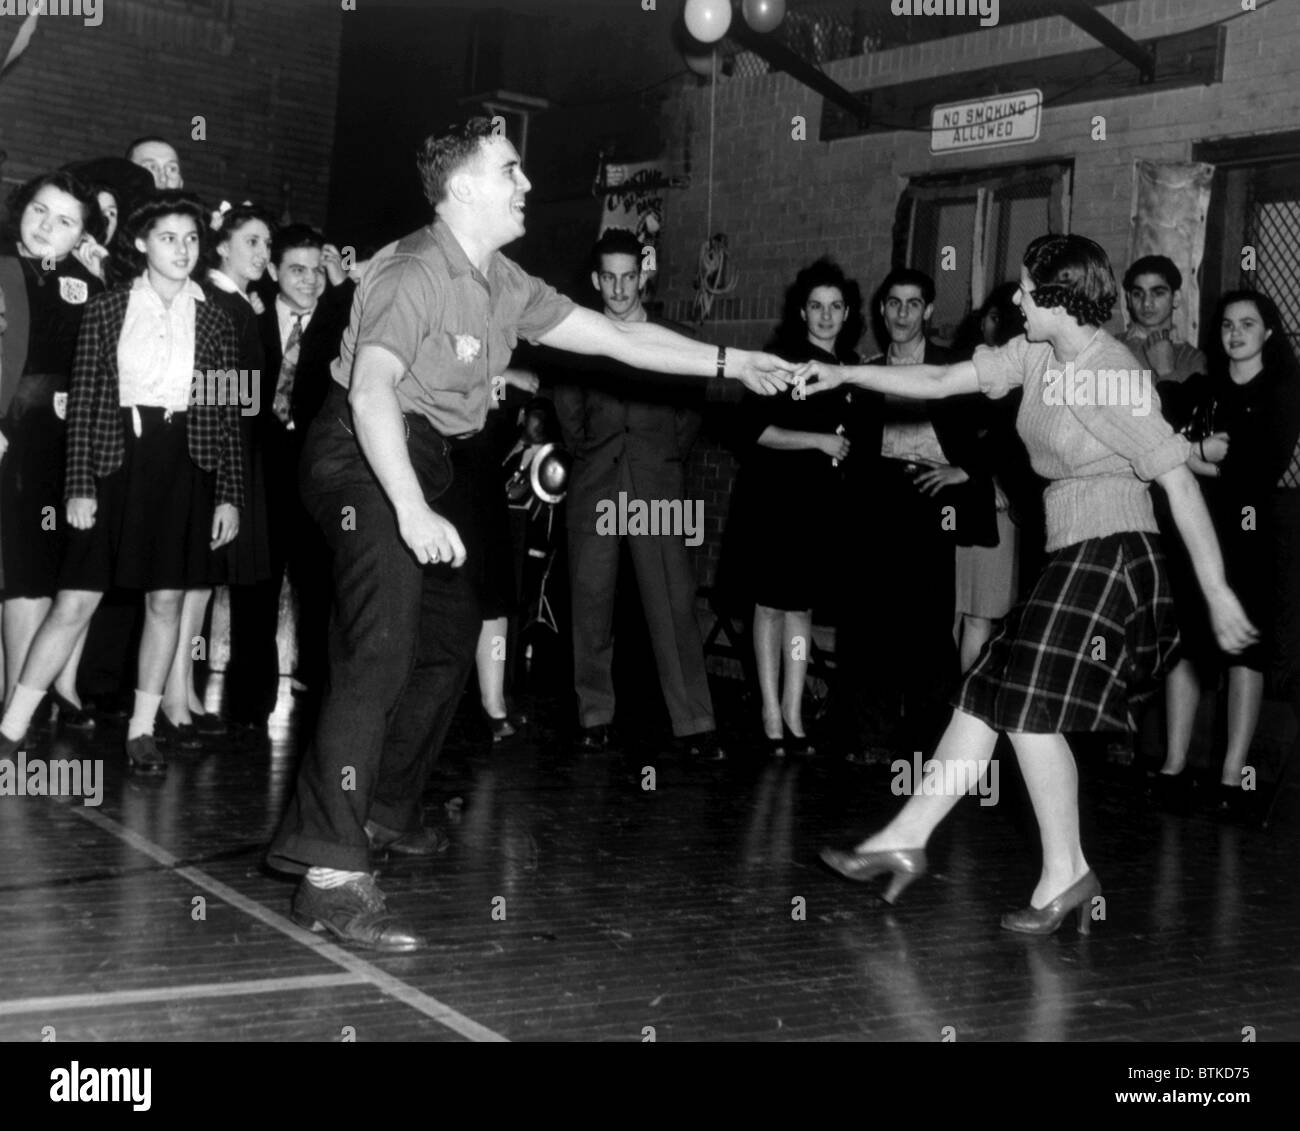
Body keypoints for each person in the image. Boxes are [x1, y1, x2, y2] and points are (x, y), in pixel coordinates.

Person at [265, 117, 793, 953]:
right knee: (382, 638)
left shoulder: (504, 281)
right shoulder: (411, 272)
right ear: (464, 186)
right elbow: (369, 397)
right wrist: (408, 508)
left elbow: (619, 337)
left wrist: (730, 364)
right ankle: (329, 874)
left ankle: (385, 813)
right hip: (359, 452)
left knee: (446, 638)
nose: (526, 185)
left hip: (422, 454)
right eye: (510, 171)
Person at [806, 234, 1255, 933]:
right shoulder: (1037, 353)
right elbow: (939, 380)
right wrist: (848, 378)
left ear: (1058, 296)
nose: (1014, 298)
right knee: (984, 695)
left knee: (1026, 706)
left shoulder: (1113, 374)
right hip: (1071, 554)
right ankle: (906, 838)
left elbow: (1177, 481)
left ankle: (1066, 872)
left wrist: (1219, 590)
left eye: (1024, 289)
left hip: (1118, 555)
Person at [0, 192, 243, 774]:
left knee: (166, 601)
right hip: (114, 462)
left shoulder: (216, 318)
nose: (182, 250)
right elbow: (83, 402)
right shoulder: (107, 308)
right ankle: (11, 726)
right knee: (76, 599)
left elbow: (229, 414)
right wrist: (79, 483)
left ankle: (141, 730)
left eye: (190, 239)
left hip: (186, 465)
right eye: (167, 237)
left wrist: (229, 494)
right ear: (140, 244)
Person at [554, 228, 724, 758]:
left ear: (642, 276)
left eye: (630, 277)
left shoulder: (676, 335)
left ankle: (695, 722)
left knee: (673, 601)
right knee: (590, 600)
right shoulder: (579, 335)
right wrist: (592, 453)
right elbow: (569, 409)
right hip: (597, 480)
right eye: (610, 278)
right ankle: (594, 714)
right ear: (596, 279)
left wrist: (663, 457)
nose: (620, 288)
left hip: (657, 484)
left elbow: (689, 413)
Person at [1153, 290, 1300, 818]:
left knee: (1245, 648)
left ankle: (1233, 778)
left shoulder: (1284, 390)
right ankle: (1174, 766)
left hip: (1252, 530)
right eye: (1227, 325)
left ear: (1269, 332)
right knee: (1187, 645)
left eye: (1247, 324)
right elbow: (1166, 444)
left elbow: (1261, 465)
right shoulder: (1205, 387)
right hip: (1198, 527)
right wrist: (1195, 453)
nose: (1235, 333)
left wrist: (1200, 459)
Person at [847, 267, 995, 759]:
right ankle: (871, 739)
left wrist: (966, 471)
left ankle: (930, 747)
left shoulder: (953, 370)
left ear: (928, 310)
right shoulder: (869, 372)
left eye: (913, 304)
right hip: (877, 502)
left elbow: (1003, 426)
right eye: (893, 303)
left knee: (930, 629)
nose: (902, 313)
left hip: (933, 503)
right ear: (882, 309)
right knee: (872, 623)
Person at [724, 257, 865, 756]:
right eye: (816, 307)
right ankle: (767, 711)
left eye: (835, 307)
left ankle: (793, 711)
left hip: (820, 509)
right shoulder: (782, 364)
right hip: (773, 503)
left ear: (847, 313)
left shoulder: (849, 371)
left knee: (800, 609)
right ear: (802, 312)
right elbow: (753, 432)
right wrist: (819, 441)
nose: (825, 316)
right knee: (769, 606)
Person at [0, 171, 105, 731]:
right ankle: (18, 706)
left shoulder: (87, 283)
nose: (45, 226)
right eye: (39, 210)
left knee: (39, 574)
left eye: (64, 220)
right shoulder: (3, 264)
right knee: (18, 574)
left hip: (61, 447)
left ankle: (30, 699)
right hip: (9, 433)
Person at [257, 226, 355, 713]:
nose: (309, 280)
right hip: (260, 467)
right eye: (297, 269)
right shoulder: (250, 317)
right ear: (273, 271)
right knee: (258, 581)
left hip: (318, 473)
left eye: (316, 270)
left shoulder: (339, 320)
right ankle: (249, 700)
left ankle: (316, 689)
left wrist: (341, 280)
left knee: (319, 582)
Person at [1121, 255, 1206, 385]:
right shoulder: (1109, 347)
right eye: (1138, 294)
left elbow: (1189, 405)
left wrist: (1166, 372)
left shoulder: (1192, 359)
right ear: (1129, 299)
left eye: (1158, 293)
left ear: (1176, 297)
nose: (1147, 303)